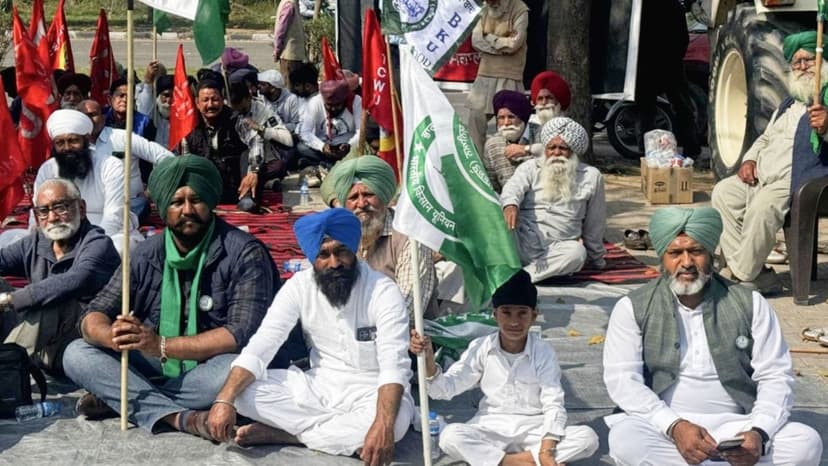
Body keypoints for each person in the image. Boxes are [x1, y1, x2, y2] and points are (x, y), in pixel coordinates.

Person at [63, 156, 304, 433]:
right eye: (177, 202)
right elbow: (94, 314)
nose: (187, 210)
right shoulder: (145, 253)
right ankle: (178, 417)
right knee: (76, 353)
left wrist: (160, 346)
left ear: (211, 202)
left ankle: (127, 398)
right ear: (164, 208)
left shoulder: (244, 252)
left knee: (238, 371)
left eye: (196, 200)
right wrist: (112, 336)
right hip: (156, 361)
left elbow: (240, 334)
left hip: (213, 364)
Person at [603, 206, 823, 465]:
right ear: (662, 257)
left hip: (738, 427)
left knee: (805, 443)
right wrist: (674, 426)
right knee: (626, 440)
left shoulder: (750, 303)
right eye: (675, 253)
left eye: (696, 251)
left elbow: (776, 375)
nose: (686, 262)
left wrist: (759, 433)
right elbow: (623, 381)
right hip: (665, 427)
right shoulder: (633, 307)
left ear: (711, 254)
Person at [204, 208, 414, 465]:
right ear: (311, 257)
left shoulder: (383, 291)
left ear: (355, 249)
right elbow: (262, 345)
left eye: (342, 251)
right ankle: (331, 435)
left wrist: (382, 425)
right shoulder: (299, 286)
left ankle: (290, 435)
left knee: (396, 424)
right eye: (323, 255)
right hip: (319, 387)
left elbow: (395, 366)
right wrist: (224, 400)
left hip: (371, 391)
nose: (334, 263)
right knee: (243, 393)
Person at [410, 269, 599, 466]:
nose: (514, 322)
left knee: (587, 438)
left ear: (534, 316)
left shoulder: (543, 352)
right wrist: (428, 359)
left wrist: (546, 450)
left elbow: (554, 404)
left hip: (534, 428)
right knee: (450, 436)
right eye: (506, 313)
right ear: (495, 315)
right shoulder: (481, 347)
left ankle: (502, 461)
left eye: (522, 313)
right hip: (492, 426)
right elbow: (444, 389)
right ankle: (519, 462)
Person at [711, 30, 828, 294]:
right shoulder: (789, 104)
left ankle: (736, 275)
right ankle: (757, 275)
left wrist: (826, 127)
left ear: (822, 62)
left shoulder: (825, 102)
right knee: (723, 193)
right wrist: (749, 159)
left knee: (762, 209)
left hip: (798, 179)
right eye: (796, 63)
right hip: (762, 174)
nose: (802, 68)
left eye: (808, 60)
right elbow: (765, 138)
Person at [0, 179, 119, 375]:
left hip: (77, 347)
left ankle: (7, 368)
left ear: (81, 208)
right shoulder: (37, 242)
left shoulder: (98, 244)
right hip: (39, 342)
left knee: (53, 304)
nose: (53, 217)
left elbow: (74, 280)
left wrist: (9, 300)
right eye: (44, 211)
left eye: (61, 207)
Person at [325, 156, 438, 317]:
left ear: (384, 197)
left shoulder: (409, 236)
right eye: (353, 198)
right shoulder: (339, 236)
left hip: (401, 332)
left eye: (368, 194)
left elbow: (409, 306)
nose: (362, 204)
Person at [501, 117, 606, 282]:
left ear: (573, 151)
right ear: (545, 149)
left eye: (563, 148)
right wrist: (510, 204)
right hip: (521, 241)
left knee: (577, 253)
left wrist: (597, 258)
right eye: (551, 147)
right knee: (492, 208)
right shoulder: (530, 167)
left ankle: (521, 278)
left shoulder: (591, 176)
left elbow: (595, 223)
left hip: (558, 251)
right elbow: (512, 188)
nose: (556, 153)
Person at [34, 109, 140, 255]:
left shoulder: (110, 165)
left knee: (119, 248)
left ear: (87, 139)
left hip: (105, 233)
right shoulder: (47, 169)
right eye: (60, 143)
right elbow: (39, 213)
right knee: (8, 239)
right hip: (60, 233)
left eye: (73, 141)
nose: (67, 148)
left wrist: (84, 246)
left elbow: (114, 216)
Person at [77, 99, 174, 220]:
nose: (88, 120)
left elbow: (166, 158)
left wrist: (153, 189)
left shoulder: (123, 137)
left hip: (128, 207)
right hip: (90, 210)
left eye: (93, 115)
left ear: (103, 117)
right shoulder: (73, 147)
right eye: (83, 116)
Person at [635, 0, 700, 158]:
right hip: (670, 63)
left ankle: (645, 149)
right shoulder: (673, 6)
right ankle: (691, 147)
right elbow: (683, 38)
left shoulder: (640, 9)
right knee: (682, 107)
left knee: (645, 110)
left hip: (648, 65)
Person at [185, 79, 261, 212]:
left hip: (235, 182)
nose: (210, 105)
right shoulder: (189, 125)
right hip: (205, 182)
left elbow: (256, 141)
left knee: (246, 154)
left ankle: (247, 197)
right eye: (205, 100)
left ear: (222, 99)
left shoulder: (236, 119)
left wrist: (253, 171)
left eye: (215, 99)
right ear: (197, 103)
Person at [466, 0, 529, 154]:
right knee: (475, 122)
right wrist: (502, 46)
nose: (488, 1)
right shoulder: (483, 9)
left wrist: (489, 38)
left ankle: (509, 164)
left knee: (510, 126)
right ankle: (477, 166)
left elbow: (515, 44)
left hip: (510, 75)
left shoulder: (519, 8)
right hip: (485, 74)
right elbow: (475, 41)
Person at [296, 79, 362, 186]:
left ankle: (324, 167)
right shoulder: (315, 102)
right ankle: (329, 166)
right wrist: (322, 146)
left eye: (337, 105)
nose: (333, 108)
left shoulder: (356, 101)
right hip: (323, 147)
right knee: (301, 147)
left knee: (362, 148)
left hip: (346, 145)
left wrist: (349, 145)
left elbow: (361, 131)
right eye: (329, 105)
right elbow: (305, 132)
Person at [228, 81, 294, 187]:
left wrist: (261, 129)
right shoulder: (229, 111)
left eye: (243, 110)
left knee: (278, 166)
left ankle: (254, 181)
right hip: (238, 157)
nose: (240, 113)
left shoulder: (264, 112)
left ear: (249, 98)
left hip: (261, 158)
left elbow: (288, 140)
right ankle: (264, 183)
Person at [482, 89, 541, 193]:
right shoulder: (492, 145)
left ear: (523, 117)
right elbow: (491, 186)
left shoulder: (540, 133)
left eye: (511, 117)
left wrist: (527, 149)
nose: (506, 122)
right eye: (501, 118)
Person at [105, 77, 157, 142]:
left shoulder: (144, 123)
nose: (125, 100)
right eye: (121, 96)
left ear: (134, 100)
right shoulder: (101, 117)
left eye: (129, 96)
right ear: (109, 99)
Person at [136, 61, 172, 148]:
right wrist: (148, 82)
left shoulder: (181, 114)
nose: (169, 100)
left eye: (173, 96)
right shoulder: (152, 111)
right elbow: (144, 109)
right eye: (166, 96)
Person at [273, 0, 307, 89]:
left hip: (294, 56)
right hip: (290, 56)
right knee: (290, 88)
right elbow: (280, 31)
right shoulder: (289, 5)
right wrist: (277, 50)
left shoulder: (293, 3)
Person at [258, 69, 303, 136]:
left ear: (273, 89)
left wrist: (276, 128)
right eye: (259, 83)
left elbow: (296, 124)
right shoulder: (261, 98)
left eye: (263, 84)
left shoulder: (291, 99)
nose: (259, 86)